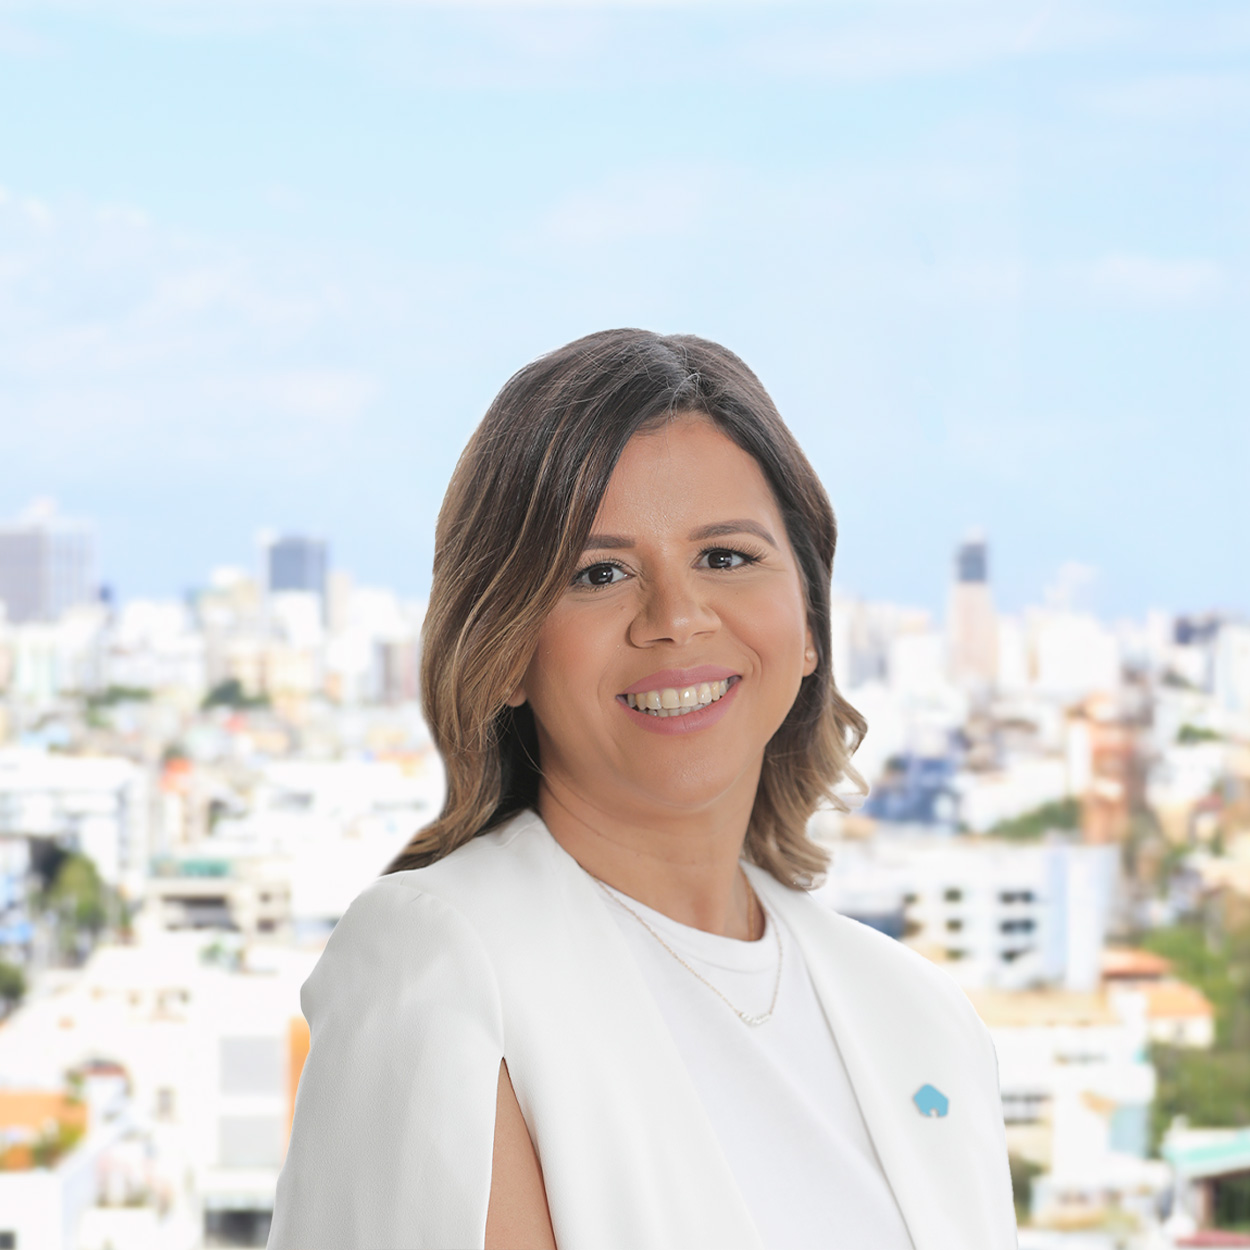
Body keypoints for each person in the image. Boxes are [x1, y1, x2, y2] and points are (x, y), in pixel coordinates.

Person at [266, 329, 1018, 1250]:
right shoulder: (447, 962)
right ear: (508, 652)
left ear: (811, 621)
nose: (676, 619)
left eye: (726, 557)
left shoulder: (921, 1015)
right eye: (600, 573)